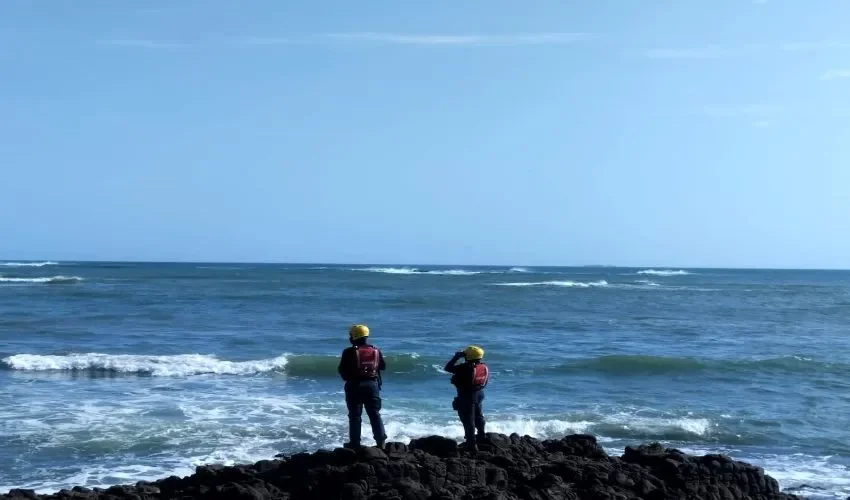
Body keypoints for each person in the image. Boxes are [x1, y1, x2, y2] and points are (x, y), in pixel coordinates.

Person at [337, 324, 387, 449]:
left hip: (354, 385)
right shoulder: (376, 350)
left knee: (355, 415)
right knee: (375, 414)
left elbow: (341, 369)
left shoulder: (348, 351)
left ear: (353, 337)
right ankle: (381, 443)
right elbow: (383, 367)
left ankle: (354, 444)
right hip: (372, 386)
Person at [444, 345, 489, 451]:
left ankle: (471, 444)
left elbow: (448, 368)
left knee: (468, 420)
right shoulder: (483, 367)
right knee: (478, 416)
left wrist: (456, 357)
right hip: (479, 394)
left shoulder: (465, 368)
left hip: (467, 396)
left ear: (468, 356)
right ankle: (481, 436)